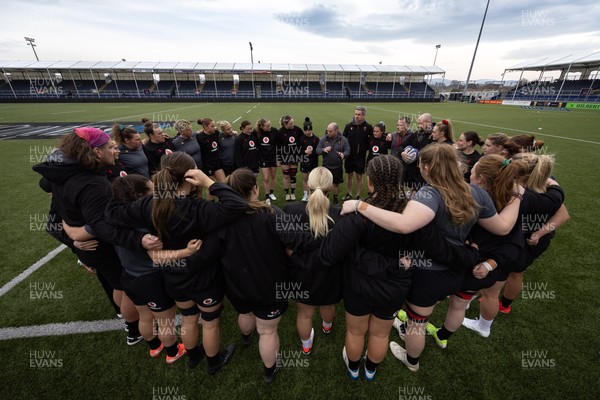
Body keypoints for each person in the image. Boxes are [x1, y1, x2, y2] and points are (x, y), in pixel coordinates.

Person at [340, 143, 524, 372]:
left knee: (418, 323)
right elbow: (504, 228)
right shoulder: (476, 192)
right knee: (453, 307)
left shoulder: (430, 193)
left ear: (426, 167)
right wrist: (517, 197)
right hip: (457, 271)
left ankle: (412, 361)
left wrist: (360, 205)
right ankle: (440, 336)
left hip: (427, 273)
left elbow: (404, 225)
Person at [320, 155, 479, 381]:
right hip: (394, 285)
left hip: (360, 284)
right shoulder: (415, 216)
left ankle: (354, 367)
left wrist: (352, 250)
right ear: (398, 180)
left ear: (370, 182)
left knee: (356, 331)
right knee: (380, 333)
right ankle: (370, 369)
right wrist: (473, 253)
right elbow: (440, 249)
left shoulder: (357, 215)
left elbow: (328, 254)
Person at [105, 152, 247, 373]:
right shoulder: (197, 208)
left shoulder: (149, 204)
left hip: (174, 276)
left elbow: (110, 214)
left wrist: (138, 239)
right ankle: (213, 361)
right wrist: (209, 182)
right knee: (209, 322)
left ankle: (192, 356)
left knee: (189, 318)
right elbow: (237, 204)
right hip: (204, 276)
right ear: (191, 175)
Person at [33, 127, 162, 346]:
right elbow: (104, 226)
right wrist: (137, 240)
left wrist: (73, 239)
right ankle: (134, 329)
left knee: (117, 285)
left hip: (92, 248)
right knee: (126, 287)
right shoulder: (93, 184)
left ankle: (130, 325)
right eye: (110, 147)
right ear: (95, 152)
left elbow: (55, 217)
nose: (116, 150)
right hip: (103, 246)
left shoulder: (64, 174)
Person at [424, 155, 530, 348]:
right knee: (459, 305)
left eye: (472, 170)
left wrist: (490, 263)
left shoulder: (473, 201)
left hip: (460, 265)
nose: (469, 172)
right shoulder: (511, 205)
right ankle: (442, 336)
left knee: (430, 300)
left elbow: (513, 240)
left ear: (480, 178)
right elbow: (514, 242)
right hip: (476, 270)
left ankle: (414, 326)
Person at [199, 168, 290, 383]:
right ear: (255, 189)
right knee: (267, 332)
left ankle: (247, 338)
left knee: (246, 313)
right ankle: (269, 372)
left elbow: (208, 253)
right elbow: (293, 247)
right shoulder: (273, 213)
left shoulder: (221, 220)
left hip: (238, 284)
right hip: (270, 286)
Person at [463, 153, 568, 337]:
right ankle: (483, 305)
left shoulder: (518, 195)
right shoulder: (543, 191)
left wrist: (539, 232)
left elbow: (562, 213)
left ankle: (483, 326)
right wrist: (554, 184)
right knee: (506, 277)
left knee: (492, 289)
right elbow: (558, 200)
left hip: (517, 244)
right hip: (524, 243)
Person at [110, 174, 199, 363]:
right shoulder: (144, 223)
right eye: (152, 189)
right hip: (149, 278)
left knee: (144, 316)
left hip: (129, 276)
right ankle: (173, 352)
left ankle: (154, 346)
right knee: (164, 320)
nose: (156, 193)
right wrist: (187, 251)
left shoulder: (115, 218)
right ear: (140, 195)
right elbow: (158, 257)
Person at [280, 167, 342, 356]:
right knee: (327, 304)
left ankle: (306, 345)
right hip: (329, 271)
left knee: (304, 312)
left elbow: (285, 244)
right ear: (330, 187)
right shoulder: (340, 213)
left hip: (301, 271)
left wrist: (293, 256)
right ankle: (327, 327)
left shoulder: (290, 210)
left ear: (307, 184)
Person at [342, 106, 372, 200]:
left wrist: (363, 149)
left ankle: (358, 195)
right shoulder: (348, 126)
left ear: (363, 115)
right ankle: (349, 193)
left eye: (359, 114)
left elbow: (372, 139)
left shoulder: (368, 127)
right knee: (349, 175)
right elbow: (343, 139)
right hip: (349, 156)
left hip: (360, 157)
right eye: (355, 114)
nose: (356, 116)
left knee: (359, 176)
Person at [316, 123, 350, 205]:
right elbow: (317, 150)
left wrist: (343, 154)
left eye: (330, 131)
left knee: (335, 184)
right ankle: (325, 199)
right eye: (327, 131)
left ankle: (335, 199)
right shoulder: (324, 139)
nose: (328, 133)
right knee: (325, 185)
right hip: (326, 167)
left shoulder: (343, 140)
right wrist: (323, 150)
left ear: (336, 130)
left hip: (337, 167)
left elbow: (347, 150)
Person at [400, 113, 433, 191]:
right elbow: (402, 145)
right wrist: (402, 152)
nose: (418, 125)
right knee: (406, 194)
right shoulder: (416, 134)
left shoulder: (433, 136)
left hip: (422, 174)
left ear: (428, 123)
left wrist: (418, 155)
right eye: (418, 123)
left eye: (420, 123)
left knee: (420, 195)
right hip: (409, 172)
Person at [278, 115, 303, 201]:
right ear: (285, 124)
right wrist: (278, 159)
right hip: (284, 157)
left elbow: (303, 140)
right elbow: (278, 146)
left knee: (293, 175)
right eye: (291, 123)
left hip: (294, 156)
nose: (293, 124)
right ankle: (286, 194)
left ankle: (292, 193)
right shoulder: (280, 132)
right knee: (286, 176)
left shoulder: (298, 130)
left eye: (293, 122)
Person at [255, 118, 278, 203]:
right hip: (263, 158)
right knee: (265, 178)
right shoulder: (257, 133)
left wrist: (278, 158)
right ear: (262, 127)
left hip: (273, 157)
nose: (269, 127)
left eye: (270, 125)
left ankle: (271, 193)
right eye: (267, 126)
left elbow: (278, 144)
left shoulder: (275, 131)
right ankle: (267, 196)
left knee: (273, 175)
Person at [197, 117, 226, 183]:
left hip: (217, 163)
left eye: (214, 125)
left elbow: (224, 133)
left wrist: (233, 132)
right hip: (208, 165)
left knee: (224, 183)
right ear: (205, 127)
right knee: (211, 187)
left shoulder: (215, 133)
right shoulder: (199, 137)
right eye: (212, 126)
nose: (214, 127)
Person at [298, 120, 320, 202]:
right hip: (304, 162)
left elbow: (318, 151)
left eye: (309, 130)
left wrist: (312, 153)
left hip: (313, 162)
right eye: (306, 130)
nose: (307, 132)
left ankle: (311, 195)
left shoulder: (316, 139)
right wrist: (304, 152)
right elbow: (298, 151)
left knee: (312, 180)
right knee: (305, 179)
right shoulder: (301, 139)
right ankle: (305, 195)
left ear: (312, 130)